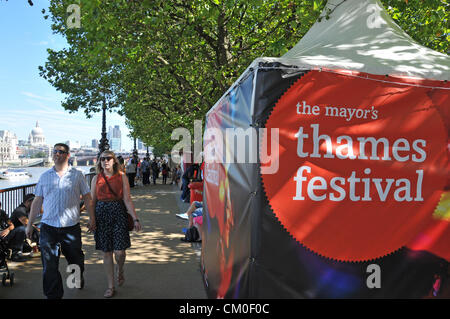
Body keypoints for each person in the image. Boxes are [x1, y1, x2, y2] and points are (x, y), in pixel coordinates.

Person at [26, 143, 95, 299]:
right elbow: (37, 201)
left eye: (61, 151)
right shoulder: (44, 177)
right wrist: (29, 225)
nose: (57, 154)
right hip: (48, 228)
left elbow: (87, 197)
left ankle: (76, 278)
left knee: (75, 260)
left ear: (67, 155)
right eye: (55, 151)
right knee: (49, 266)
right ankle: (54, 296)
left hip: (70, 228)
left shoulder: (77, 175)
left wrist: (92, 218)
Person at [90, 150, 142, 298]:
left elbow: (127, 199)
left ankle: (120, 268)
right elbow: (93, 201)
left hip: (118, 212)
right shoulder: (96, 179)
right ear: (99, 162)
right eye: (102, 159)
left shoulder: (122, 177)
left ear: (114, 161)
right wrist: (92, 219)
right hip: (101, 215)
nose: (105, 161)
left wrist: (135, 218)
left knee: (120, 252)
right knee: (106, 251)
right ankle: (110, 286)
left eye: (108, 158)